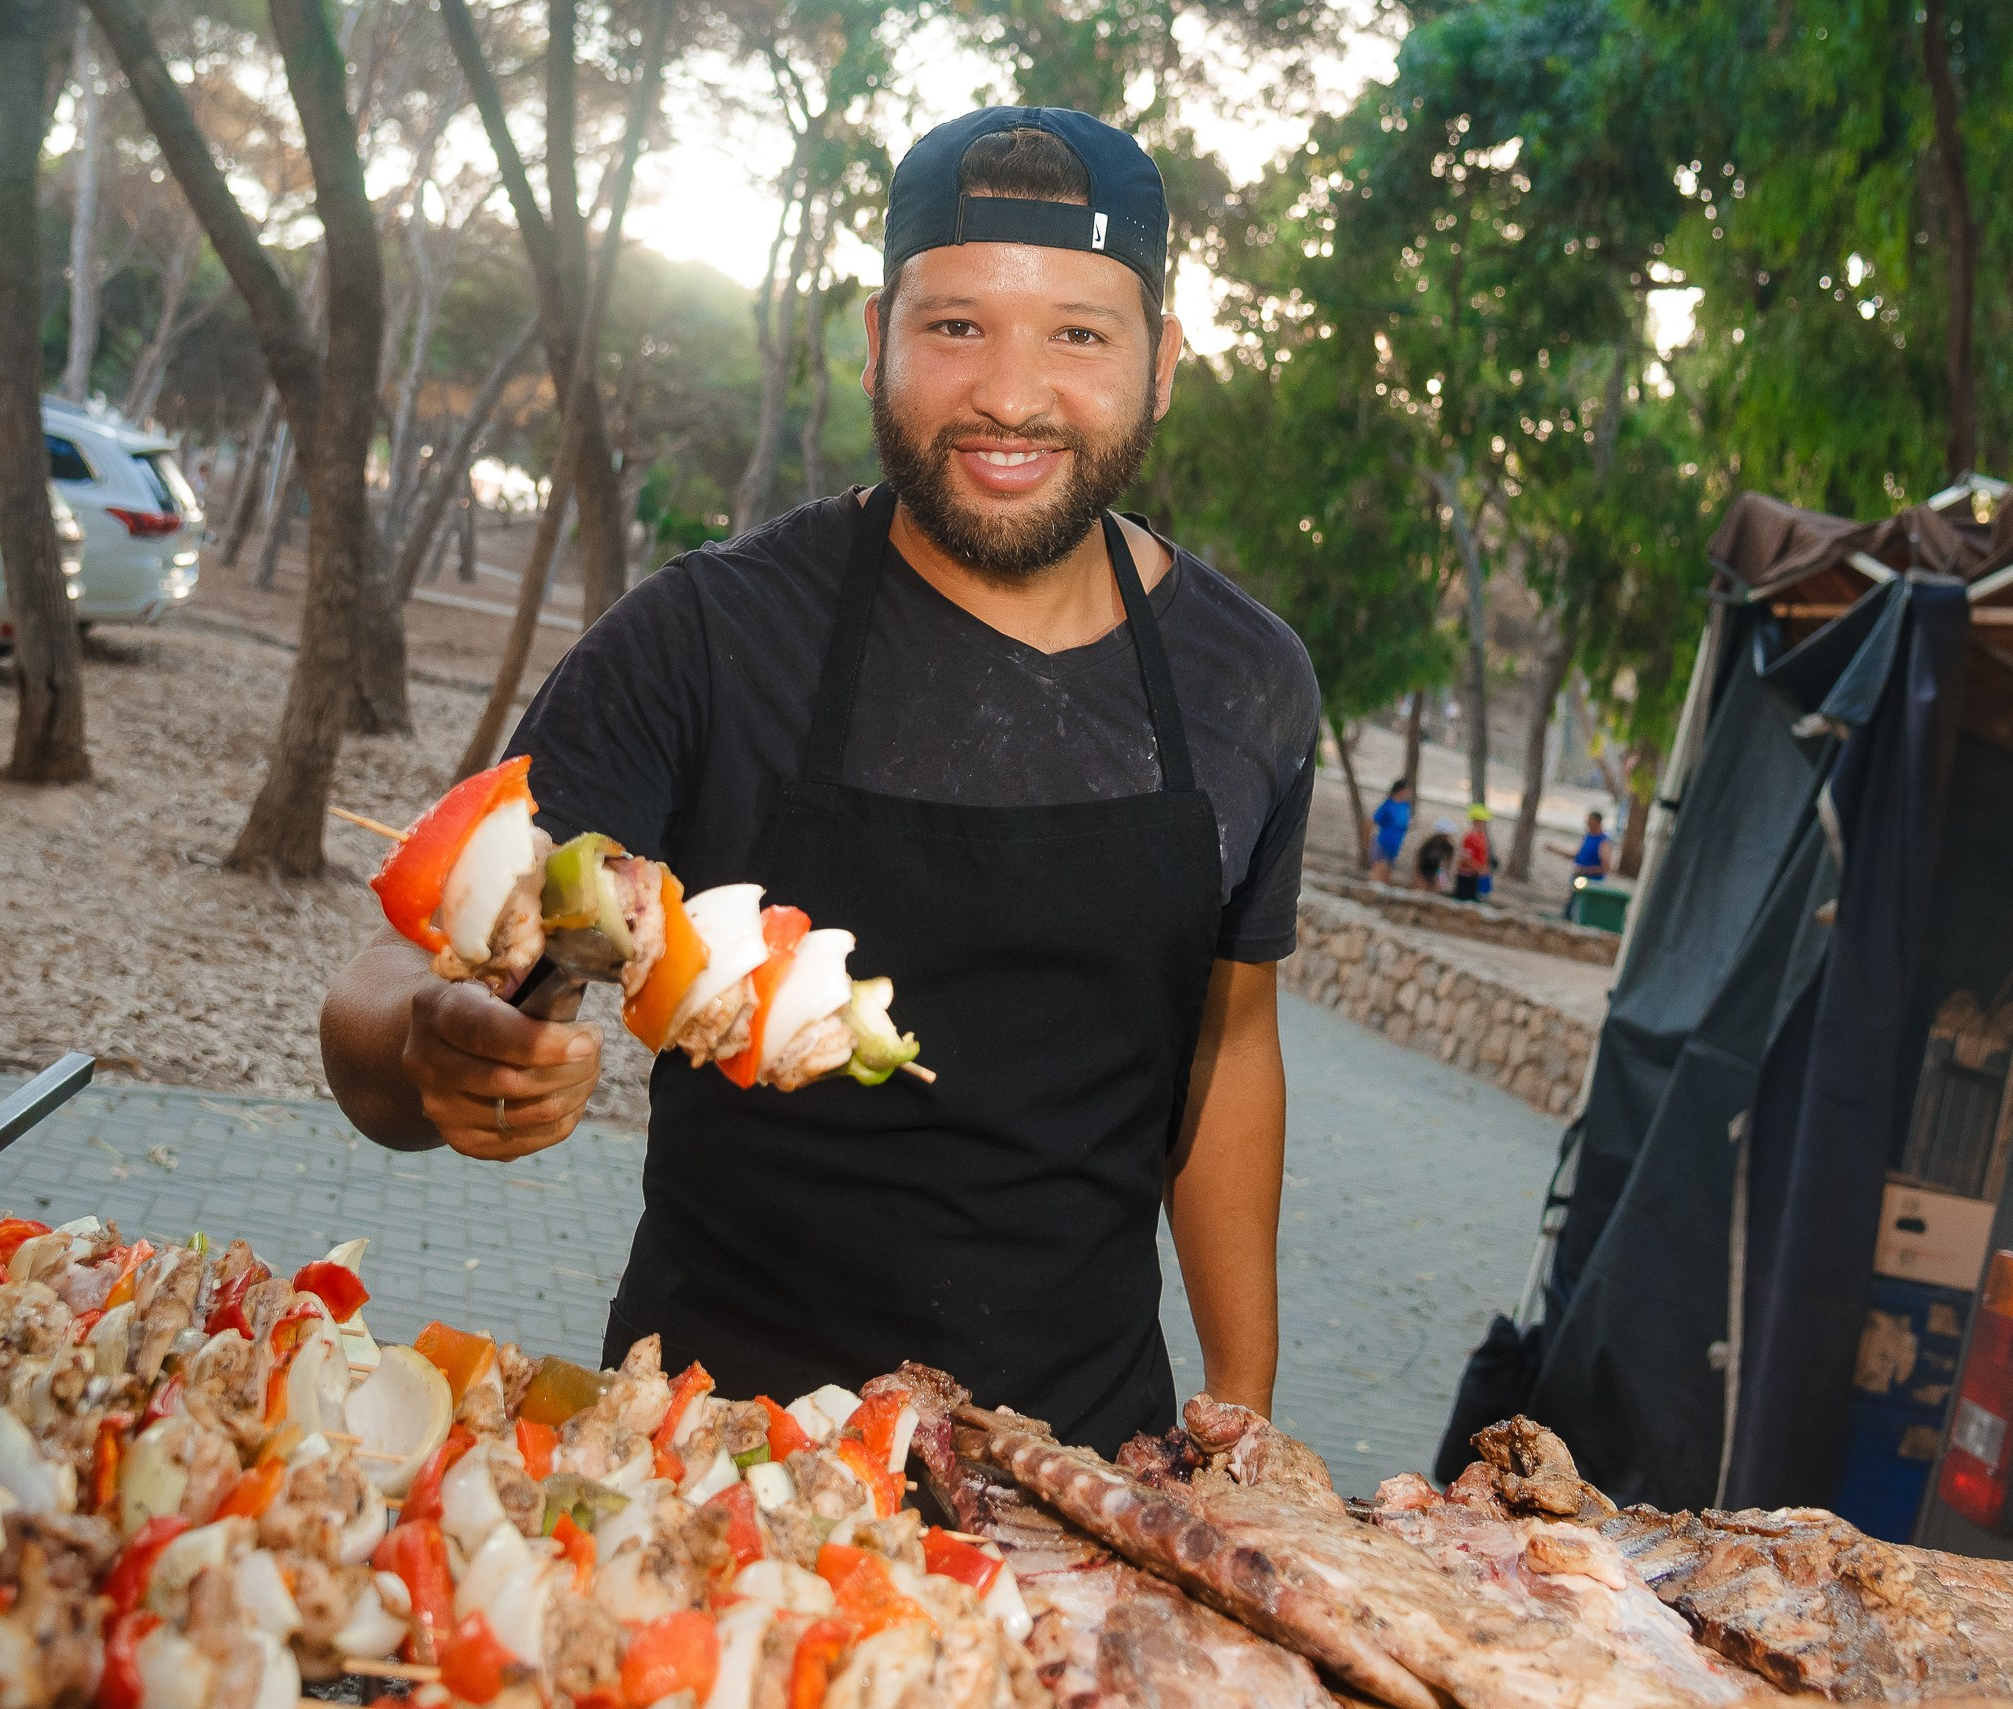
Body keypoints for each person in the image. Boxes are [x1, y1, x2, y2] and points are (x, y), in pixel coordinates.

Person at [319, 109, 1320, 1455]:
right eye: (956, 325)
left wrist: (1241, 1415)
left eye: (1079, 333)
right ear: (873, 340)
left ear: (1163, 364)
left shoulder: (1246, 676)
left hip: (1087, 1476)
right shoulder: (707, 638)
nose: (1013, 394)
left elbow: (1230, 1041)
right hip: (714, 1457)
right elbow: (391, 984)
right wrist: (433, 1045)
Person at [1563, 809, 1611, 920]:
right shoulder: (1587, 837)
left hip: (1592, 881)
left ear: (1597, 822)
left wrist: (1585, 870)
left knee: (1581, 911)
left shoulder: (1603, 842)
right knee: (1571, 906)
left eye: (1590, 822)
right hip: (1578, 877)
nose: (1588, 825)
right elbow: (1576, 854)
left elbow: (1606, 867)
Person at [1370, 777, 1413, 884]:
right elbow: (1372, 822)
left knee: (1387, 877)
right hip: (1383, 843)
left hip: (1394, 847)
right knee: (1378, 874)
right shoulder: (1388, 806)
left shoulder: (1405, 806)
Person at [1454, 803, 1492, 902]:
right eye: (1482, 821)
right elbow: (1466, 858)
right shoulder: (1470, 837)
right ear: (1476, 821)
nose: (1483, 824)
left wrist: (1484, 869)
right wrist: (1479, 869)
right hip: (1467, 875)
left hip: (1477, 875)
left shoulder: (1481, 837)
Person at [1416, 819, 1456, 892]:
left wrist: (1443, 877)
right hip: (1424, 871)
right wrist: (1417, 874)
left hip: (1435, 872)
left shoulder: (1448, 847)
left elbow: (1447, 863)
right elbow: (1419, 858)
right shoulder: (1429, 844)